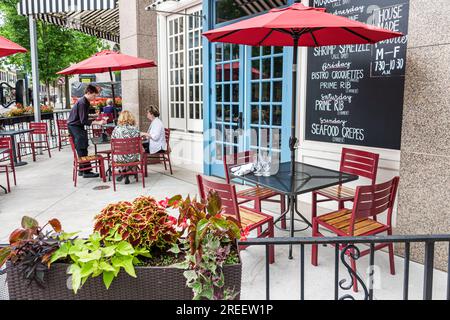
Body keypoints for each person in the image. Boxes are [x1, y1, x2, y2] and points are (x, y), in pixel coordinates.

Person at [68, 85, 106, 178]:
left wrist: (93, 118)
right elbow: (83, 120)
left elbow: (83, 118)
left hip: (75, 126)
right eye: (94, 95)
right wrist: (98, 122)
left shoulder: (84, 101)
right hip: (75, 127)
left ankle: (82, 170)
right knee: (82, 148)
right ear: (88, 93)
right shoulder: (83, 103)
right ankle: (86, 171)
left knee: (82, 147)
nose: (95, 98)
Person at [111, 111, 141, 185]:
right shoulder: (135, 129)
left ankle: (123, 171)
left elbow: (113, 145)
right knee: (131, 153)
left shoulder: (116, 129)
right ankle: (126, 172)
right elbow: (139, 144)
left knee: (121, 155)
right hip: (133, 158)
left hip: (119, 158)